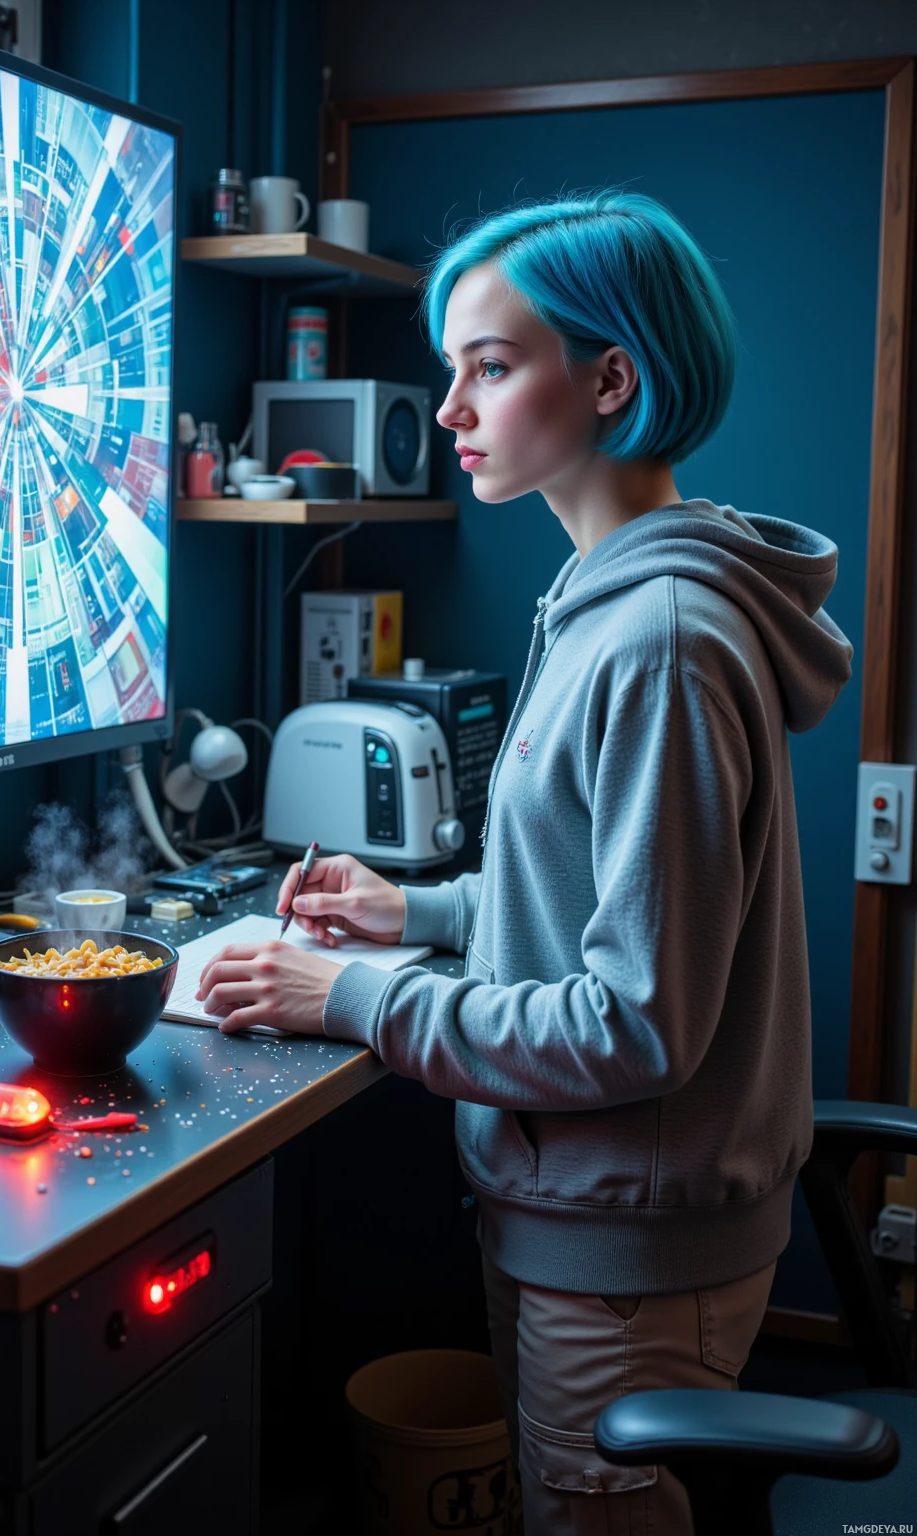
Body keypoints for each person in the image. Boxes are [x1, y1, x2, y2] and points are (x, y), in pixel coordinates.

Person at [196, 190, 853, 1534]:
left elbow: (634, 1021)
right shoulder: (610, 599)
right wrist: (422, 910)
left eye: (490, 366)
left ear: (611, 378)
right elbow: (618, 910)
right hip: (593, 1226)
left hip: (629, 1259)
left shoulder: (660, 641)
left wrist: (349, 999)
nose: (450, 411)